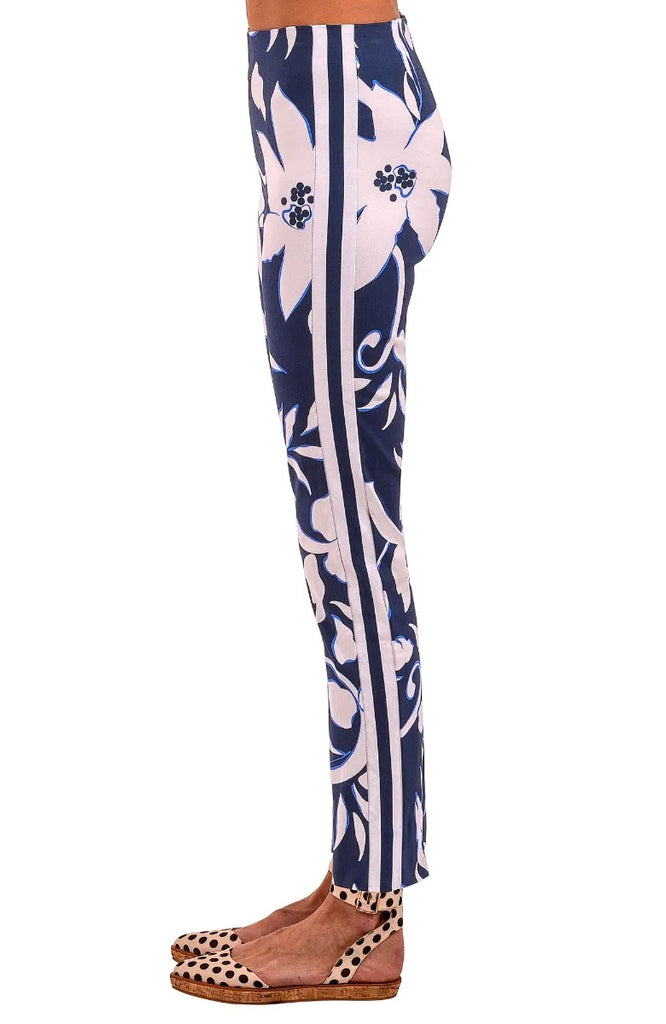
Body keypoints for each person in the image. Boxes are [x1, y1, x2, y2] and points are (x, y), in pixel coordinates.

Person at [170, 0, 451, 1003]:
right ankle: (354, 870)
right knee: (337, 532)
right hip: (312, 100)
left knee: (350, 542)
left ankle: (370, 910)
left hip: (339, 116)